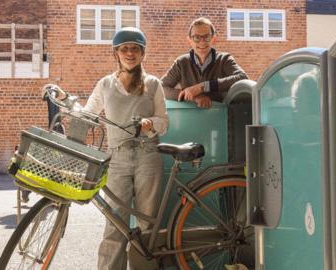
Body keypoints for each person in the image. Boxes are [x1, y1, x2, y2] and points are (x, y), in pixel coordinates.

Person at [83, 27, 169, 270]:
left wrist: (150, 123)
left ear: (142, 53)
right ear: (116, 53)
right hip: (117, 159)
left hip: (147, 156)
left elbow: (164, 122)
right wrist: (68, 105)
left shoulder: (153, 84)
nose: (130, 53)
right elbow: (89, 112)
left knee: (147, 224)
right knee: (115, 224)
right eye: (124, 48)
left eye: (135, 48)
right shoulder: (105, 84)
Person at [161, 17, 248, 108]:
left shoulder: (224, 60)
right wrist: (193, 96)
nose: (202, 42)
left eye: (207, 37)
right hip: (189, 117)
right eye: (196, 37)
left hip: (219, 116)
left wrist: (203, 86)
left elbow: (242, 78)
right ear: (189, 41)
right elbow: (161, 89)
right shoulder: (181, 63)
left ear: (213, 39)